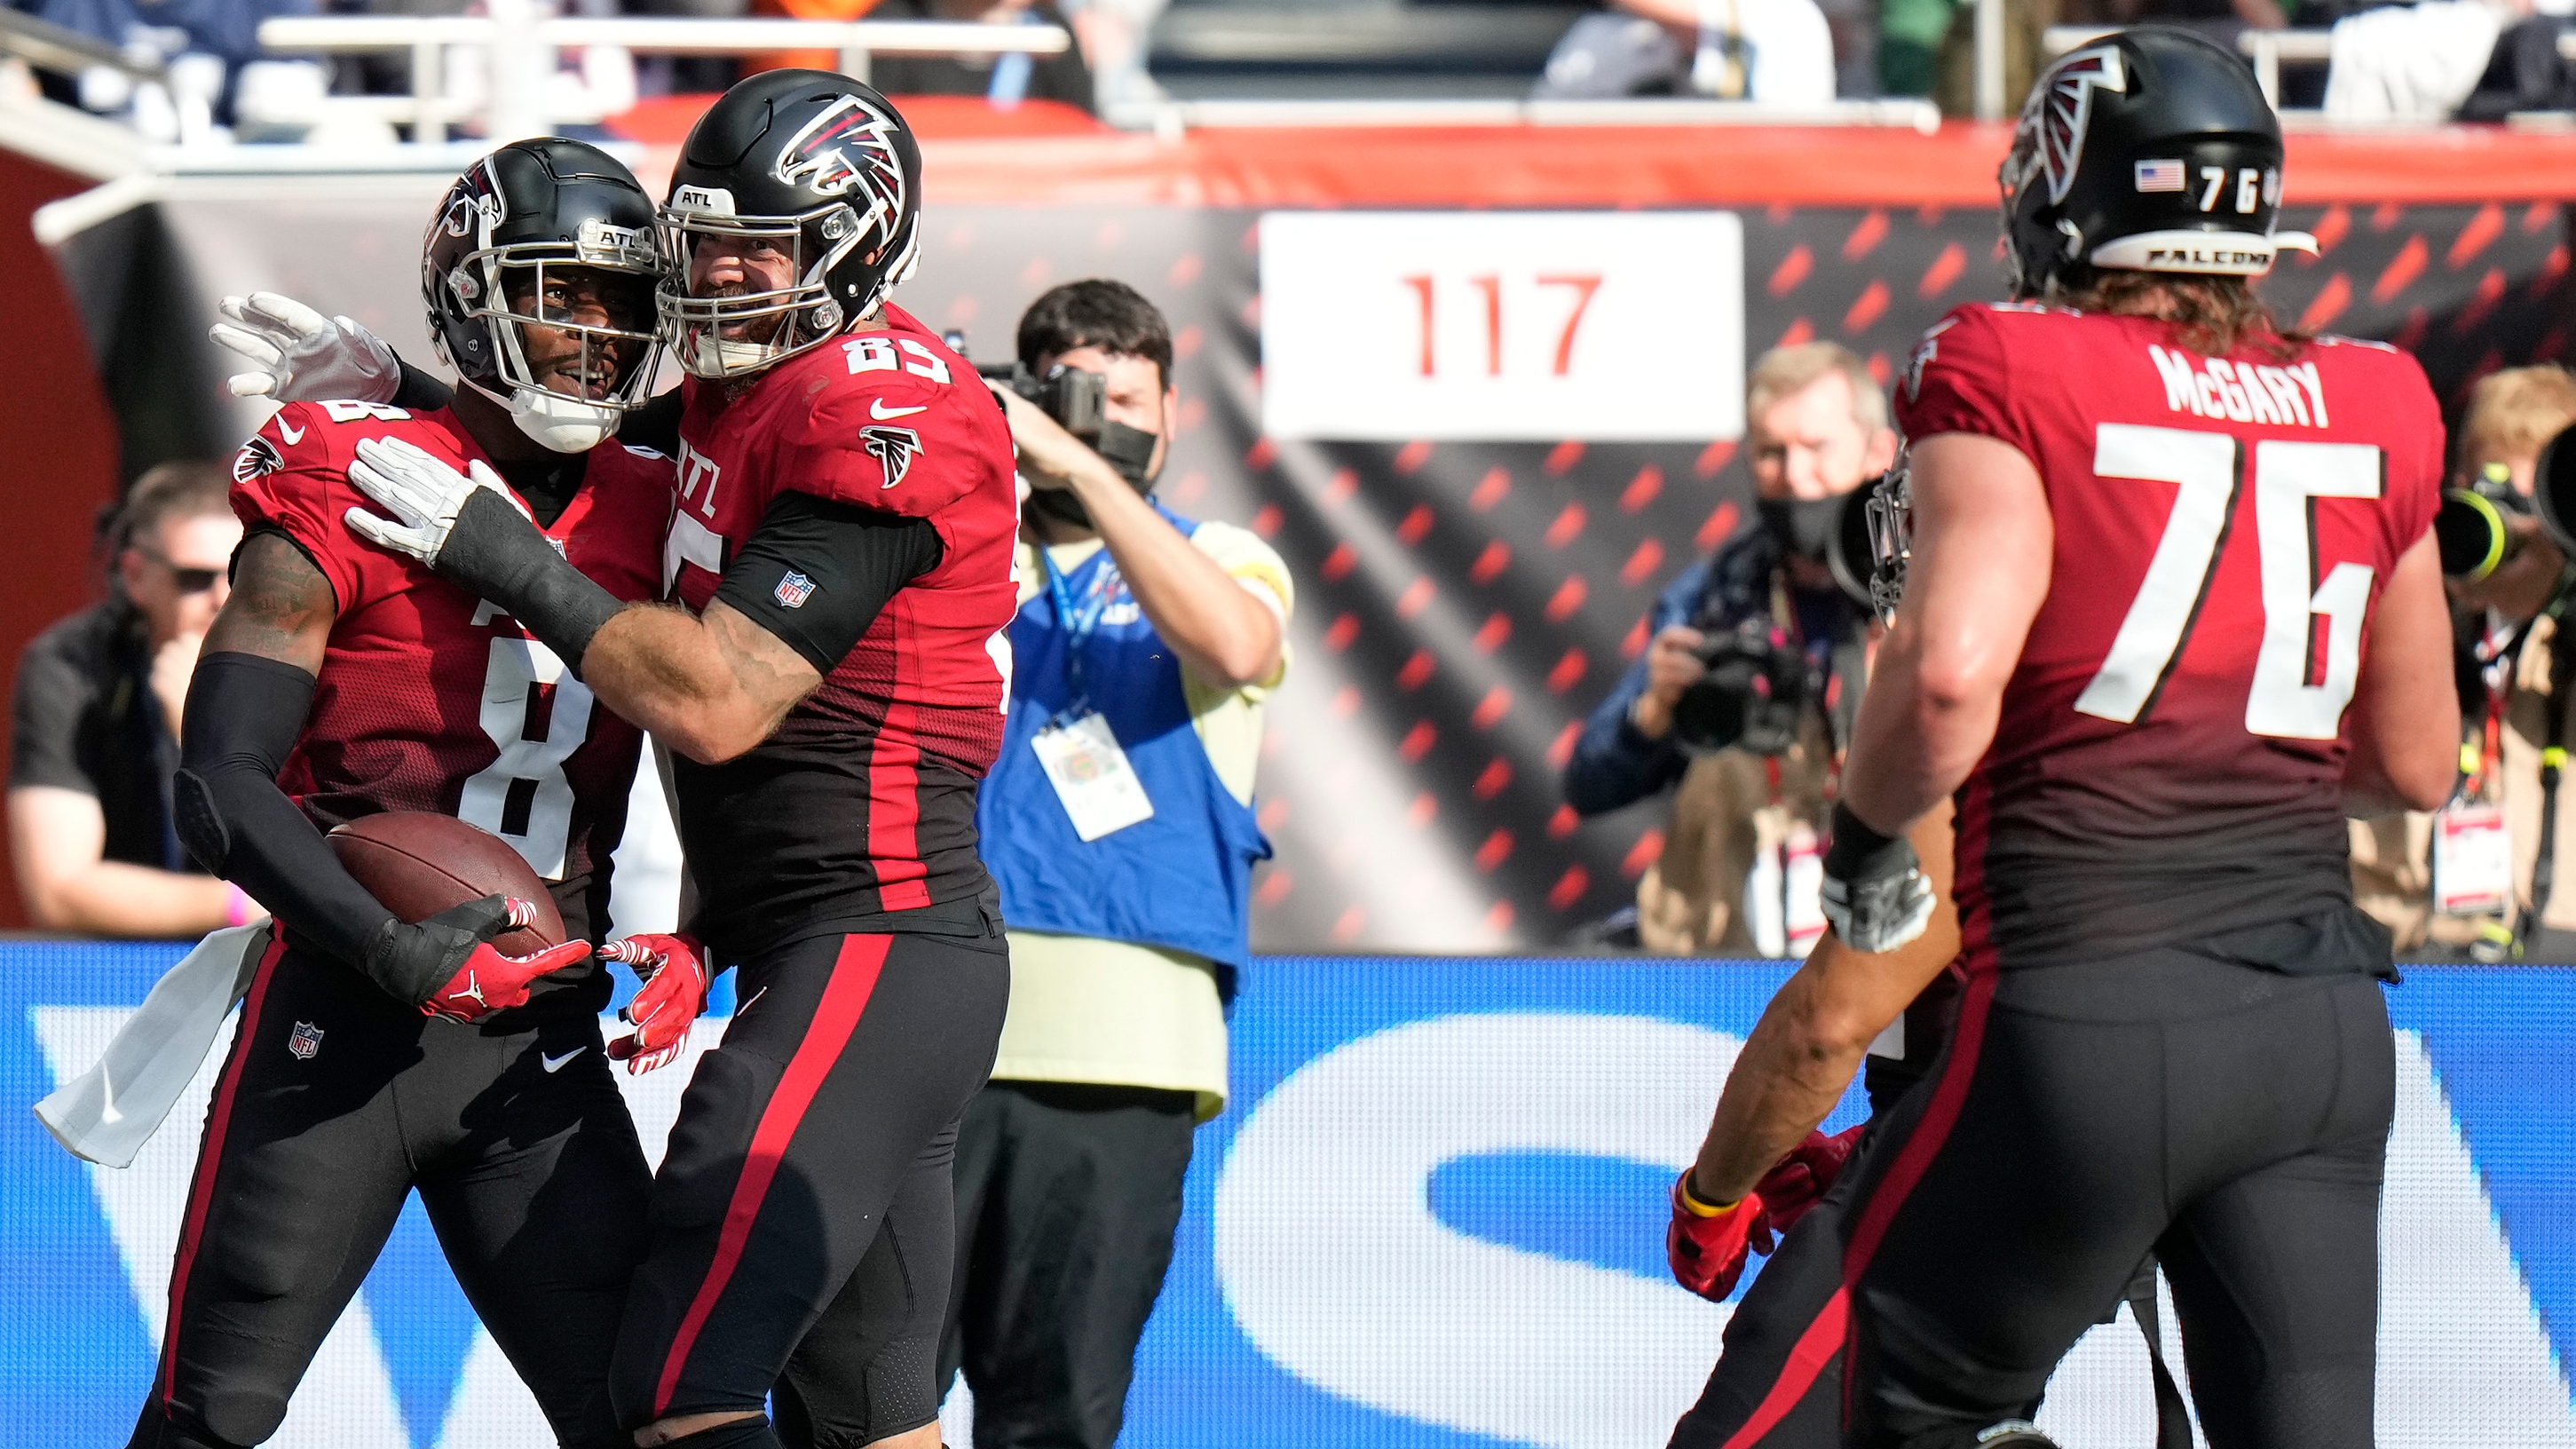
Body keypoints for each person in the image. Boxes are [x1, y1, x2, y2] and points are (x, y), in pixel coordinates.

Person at [1669, 28, 2455, 1447]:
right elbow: (2413, 760)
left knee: (1865, 1418)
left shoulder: (2011, 365)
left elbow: (1952, 678)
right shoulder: (2379, 395)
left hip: (2089, 1006)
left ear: (2055, 193)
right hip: (2320, 1033)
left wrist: (1864, 839)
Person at [332, 73, 1019, 1449]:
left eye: (760, 249)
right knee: (869, 1413)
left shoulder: (884, 418)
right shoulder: (739, 381)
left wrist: (499, 558)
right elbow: (568, 440)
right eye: (704, 243)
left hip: (878, 938)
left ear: (856, 245)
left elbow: (715, 709)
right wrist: (401, 389)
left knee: (676, 1387)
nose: (719, 278)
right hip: (831, 943)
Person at [130, 137, 699, 1449]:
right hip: (347, 1008)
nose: (599, 331)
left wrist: (703, 924)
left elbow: (720, 723)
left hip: (538, 1036)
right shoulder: (346, 472)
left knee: (643, 1412)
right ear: (478, 288)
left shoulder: (662, 497)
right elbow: (218, 783)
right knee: (211, 1418)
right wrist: (391, 947)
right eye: (564, 290)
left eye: (625, 299)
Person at [938, 280, 1289, 1449]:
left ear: (1173, 412)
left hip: (1123, 1046)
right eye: (1068, 398)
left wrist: (1080, 471)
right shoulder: (956, 556)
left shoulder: (1222, 556)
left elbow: (1237, 645)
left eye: (1124, 400)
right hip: (923, 1027)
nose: (1096, 420)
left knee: (1056, 1415)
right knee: (851, 1395)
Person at [1564, 342, 1895, 955]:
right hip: (1723, 957)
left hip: (1890, 951)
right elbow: (1589, 782)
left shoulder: (1933, 589)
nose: (1794, 475)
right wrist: (1657, 713)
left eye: (1817, 448)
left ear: (1879, 452)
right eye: (1772, 452)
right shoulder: (1715, 595)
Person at [2352, 364, 2576, 960]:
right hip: (2424, 971)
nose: (2499, 525)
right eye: (2481, 494)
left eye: (2525, 502)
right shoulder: (2404, 629)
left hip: (2558, 971)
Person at [10, 462, 257, 937]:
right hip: (124, 976)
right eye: (195, 579)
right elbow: (58, 892)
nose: (223, 600)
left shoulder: (304, 657)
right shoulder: (71, 665)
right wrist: (243, 903)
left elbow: (326, 847)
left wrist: (204, 727)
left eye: (241, 576)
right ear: (136, 575)